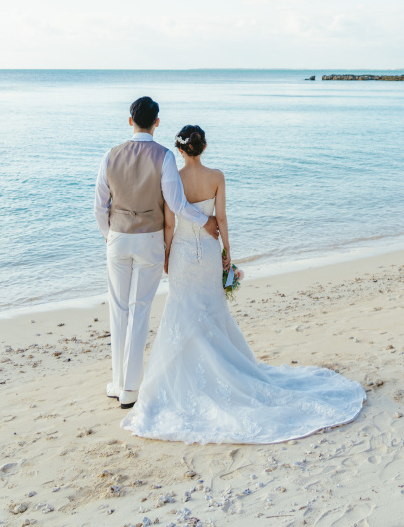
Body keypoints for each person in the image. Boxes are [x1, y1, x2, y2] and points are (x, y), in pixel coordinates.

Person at [122, 124, 365, 444]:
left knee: (181, 310)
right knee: (212, 309)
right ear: (203, 148)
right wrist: (227, 253)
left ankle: (186, 376)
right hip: (209, 252)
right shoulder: (217, 177)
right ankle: (222, 369)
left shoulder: (173, 179)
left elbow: (170, 223)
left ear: (179, 151)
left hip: (182, 253)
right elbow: (221, 219)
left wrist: (166, 254)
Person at [93, 96, 220, 409]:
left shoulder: (110, 155)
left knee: (118, 310)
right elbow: (176, 204)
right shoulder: (164, 156)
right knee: (139, 311)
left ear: (130, 121)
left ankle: (118, 383)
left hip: (118, 239)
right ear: (157, 123)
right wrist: (205, 220)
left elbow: (100, 206)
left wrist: (109, 236)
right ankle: (130, 389)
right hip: (149, 241)